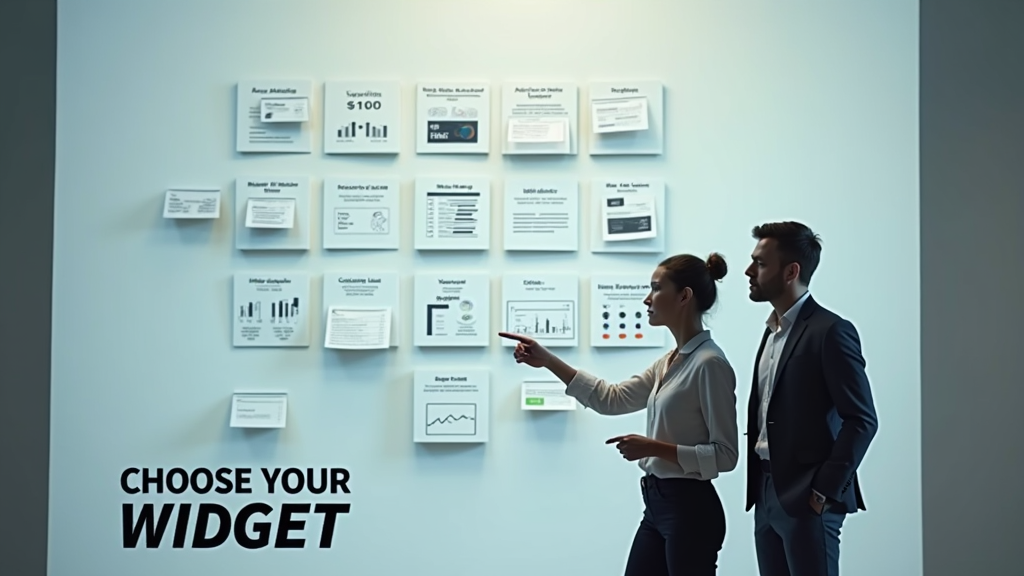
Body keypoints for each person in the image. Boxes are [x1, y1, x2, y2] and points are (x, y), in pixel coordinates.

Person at [500, 253, 739, 576]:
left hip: (691, 509)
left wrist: (654, 448)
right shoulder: (669, 362)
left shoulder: (710, 364)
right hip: (657, 505)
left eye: (656, 288)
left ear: (684, 296)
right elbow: (610, 399)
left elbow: (725, 456)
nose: (647, 299)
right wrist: (548, 360)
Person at [743, 222, 879, 576]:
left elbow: (862, 420)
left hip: (807, 497)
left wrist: (823, 491)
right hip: (766, 490)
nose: (748, 270)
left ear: (791, 271)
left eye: (759, 263)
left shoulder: (831, 331)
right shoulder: (771, 332)